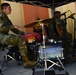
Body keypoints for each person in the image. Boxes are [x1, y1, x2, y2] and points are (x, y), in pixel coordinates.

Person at [0, 3, 37, 68]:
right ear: (5, 8)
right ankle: (26, 62)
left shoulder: (6, 18)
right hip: (1, 36)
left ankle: (31, 57)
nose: (11, 9)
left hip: (4, 36)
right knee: (20, 39)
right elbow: (1, 28)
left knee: (23, 38)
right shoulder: (0, 16)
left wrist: (24, 33)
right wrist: (12, 26)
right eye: (9, 8)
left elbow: (14, 29)